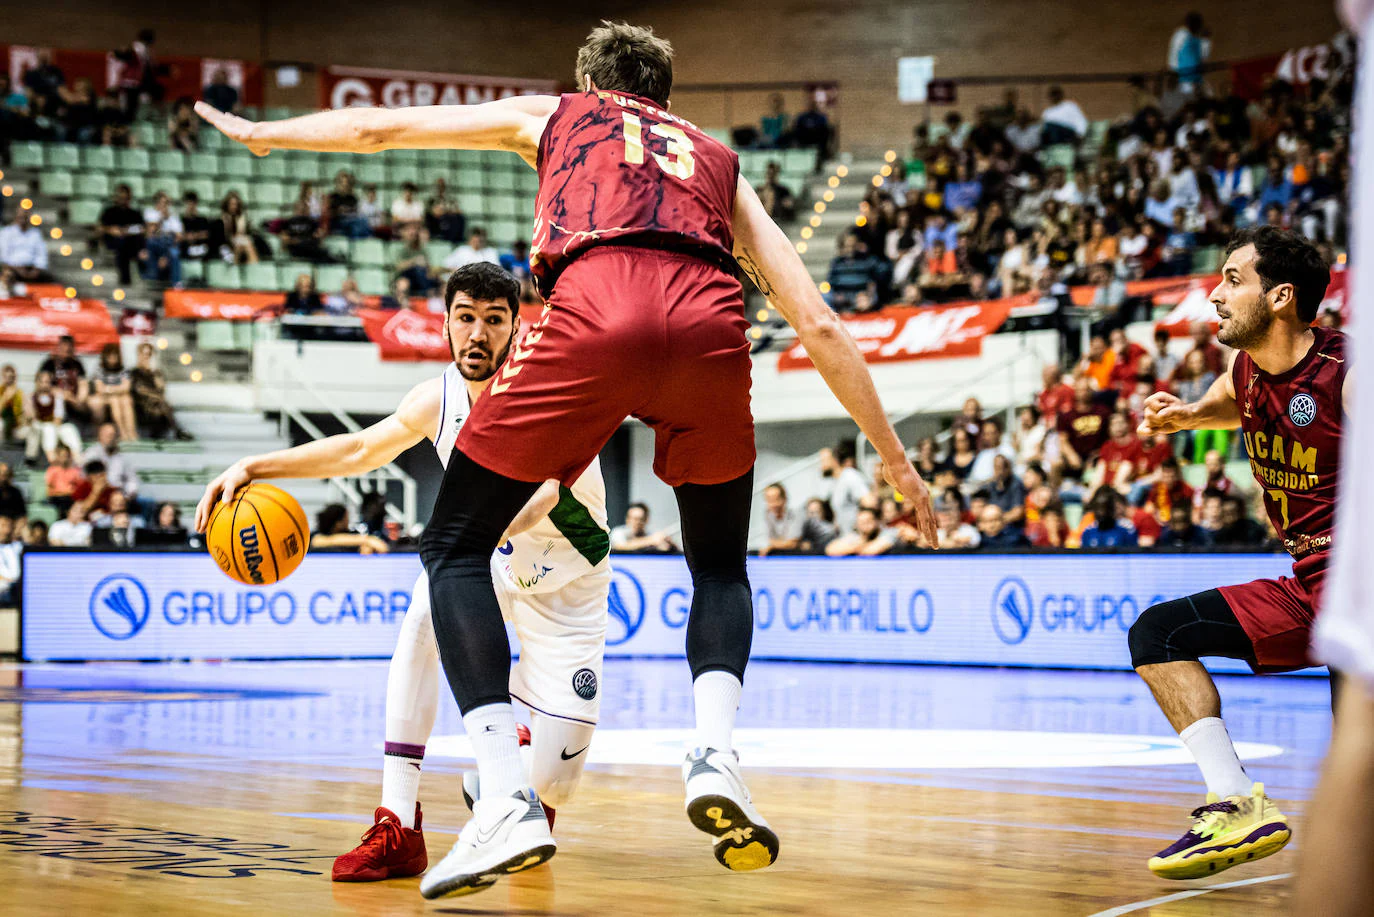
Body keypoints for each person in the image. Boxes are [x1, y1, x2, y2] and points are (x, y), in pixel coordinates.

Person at [197, 21, 935, 896]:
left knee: (450, 548)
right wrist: (894, 457)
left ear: (589, 80)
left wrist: (263, 135)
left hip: (599, 306)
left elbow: (372, 131)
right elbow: (816, 319)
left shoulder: (557, 113)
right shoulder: (715, 159)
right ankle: (715, 755)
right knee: (720, 567)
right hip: (709, 326)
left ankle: (501, 800)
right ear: (665, 97)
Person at [195, 263, 612, 887]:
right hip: (488, 556)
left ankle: (513, 773)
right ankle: (398, 824)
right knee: (422, 619)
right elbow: (360, 449)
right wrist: (256, 466)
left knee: (554, 784)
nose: (477, 334)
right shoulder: (435, 398)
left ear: (516, 330)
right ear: (444, 324)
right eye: (465, 318)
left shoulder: (546, 390)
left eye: (494, 321)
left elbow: (550, 492)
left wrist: (486, 529)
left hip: (567, 580)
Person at [1134, 226, 1339, 880]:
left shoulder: (1349, 378)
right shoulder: (1245, 368)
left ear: (1280, 297)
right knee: (1158, 633)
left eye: (1231, 279)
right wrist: (1187, 416)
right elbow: (1232, 401)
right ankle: (1235, 802)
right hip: (1309, 590)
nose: (1215, 295)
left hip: (1359, 596)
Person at [130, 342, 190, 440]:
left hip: (156, 406)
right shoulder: (134, 372)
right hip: (141, 406)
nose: (146, 357)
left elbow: (161, 389)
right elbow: (139, 390)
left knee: (159, 407)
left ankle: (168, 433)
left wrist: (154, 373)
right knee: (162, 404)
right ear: (139, 355)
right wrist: (156, 396)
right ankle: (178, 430)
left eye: (149, 354)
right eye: (144, 354)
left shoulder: (156, 373)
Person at [26, 369, 81, 465]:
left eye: (47, 382)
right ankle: (53, 459)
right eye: (42, 382)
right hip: (40, 426)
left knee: (69, 428)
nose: (44, 385)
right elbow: (31, 418)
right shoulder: (31, 397)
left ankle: (78, 458)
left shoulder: (56, 395)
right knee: (48, 429)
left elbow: (58, 417)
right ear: (37, 383)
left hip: (55, 425)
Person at [89, 343, 138, 444]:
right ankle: (122, 432)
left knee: (126, 400)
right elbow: (99, 388)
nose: (112, 358)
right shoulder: (100, 370)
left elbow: (126, 388)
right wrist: (116, 390)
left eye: (114, 356)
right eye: (109, 356)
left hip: (121, 398)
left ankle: (131, 432)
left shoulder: (123, 370)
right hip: (107, 398)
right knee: (115, 400)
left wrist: (109, 389)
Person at [96, 185, 145, 285]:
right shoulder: (109, 212)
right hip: (113, 240)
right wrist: (111, 230)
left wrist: (126, 231)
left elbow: (142, 229)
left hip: (132, 242)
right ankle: (125, 280)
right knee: (123, 245)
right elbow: (99, 228)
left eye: (125, 198)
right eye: (120, 197)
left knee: (131, 244)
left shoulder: (134, 213)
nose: (123, 200)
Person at [38, 335, 90, 426]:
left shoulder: (77, 364)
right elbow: (42, 384)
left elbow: (83, 383)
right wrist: (62, 393)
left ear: (73, 349)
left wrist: (80, 399)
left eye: (69, 348)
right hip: (56, 398)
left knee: (94, 403)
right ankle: (57, 424)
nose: (66, 350)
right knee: (59, 398)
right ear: (58, 348)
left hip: (74, 399)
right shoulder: (49, 363)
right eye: (64, 348)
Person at [83, 422, 140, 502]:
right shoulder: (91, 454)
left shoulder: (123, 459)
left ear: (117, 437)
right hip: (95, 496)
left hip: (118, 497)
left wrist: (127, 495)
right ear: (99, 436)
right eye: (106, 435)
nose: (110, 438)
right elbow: (85, 476)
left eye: (112, 435)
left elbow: (132, 480)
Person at [0, 206, 51, 282]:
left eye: (25, 217)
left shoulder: (36, 233)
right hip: (13, 268)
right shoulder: (6, 232)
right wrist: (18, 269)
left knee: (50, 280)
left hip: (32, 269)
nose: (23, 220)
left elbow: (41, 255)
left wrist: (36, 270)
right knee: (8, 276)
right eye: (21, 217)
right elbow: (4, 256)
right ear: (16, 217)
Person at [608, 502, 677, 553]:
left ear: (646, 520)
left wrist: (669, 545)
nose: (636, 523)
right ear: (627, 519)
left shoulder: (650, 534)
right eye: (633, 519)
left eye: (640, 519)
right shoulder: (618, 532)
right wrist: (651, 540)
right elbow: (620, 546)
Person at [759, 483, 801, 555]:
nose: (773, 504)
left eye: (776, 499)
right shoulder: (767, 515)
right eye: (769, 500)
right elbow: (770, 540)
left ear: (784, 499)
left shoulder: (796, 513)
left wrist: (772, 546)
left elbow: (792, 544)